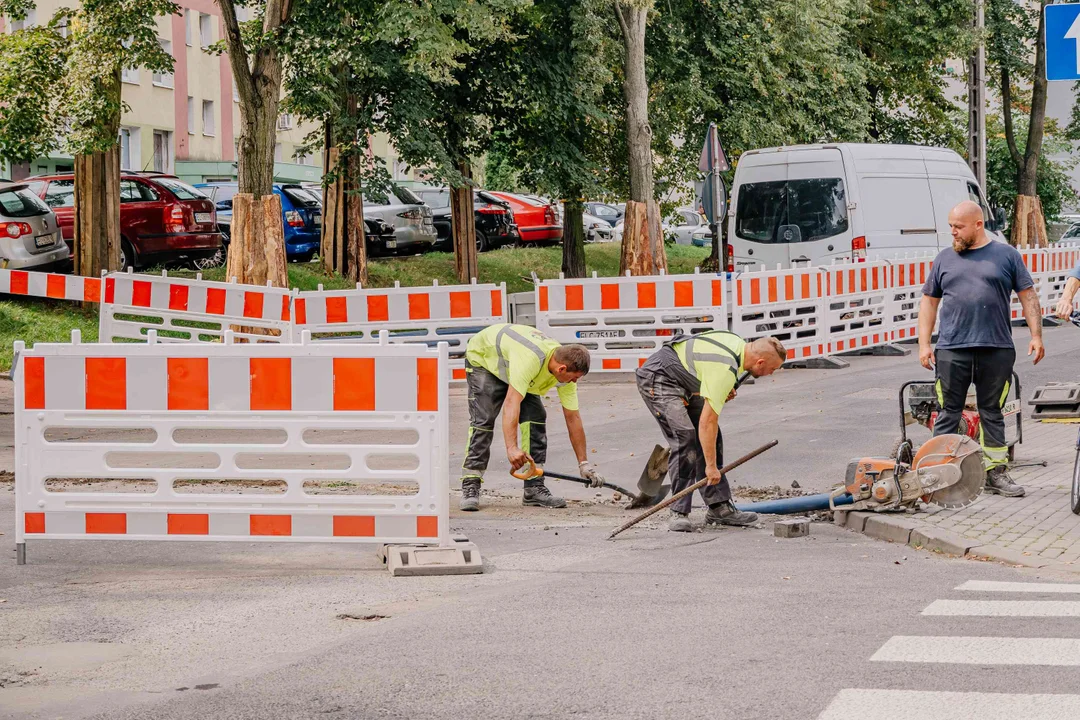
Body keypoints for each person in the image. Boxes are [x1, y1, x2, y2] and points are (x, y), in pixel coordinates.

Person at [918, 200, 1044, 498]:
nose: (953, 233)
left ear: (978, 224)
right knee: (949, 412)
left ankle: (995, 474)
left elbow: (1028, 296)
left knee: (992, 411)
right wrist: (924, 343)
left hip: (996, 348)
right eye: (950, 226)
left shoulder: (1006, 256)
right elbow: (929, 302)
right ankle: (939, 473)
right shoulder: (944, 259)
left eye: (958, 227)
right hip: (951, 349)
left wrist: (1036, 336)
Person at [636, 329, 786, 532]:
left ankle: (719, 507)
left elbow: (701, 358)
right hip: (660, 377)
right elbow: (707, 422)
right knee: (685, 436)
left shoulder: (736, 343)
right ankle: (678, 511)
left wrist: (717, 387)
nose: (771, 373)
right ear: (759, 363)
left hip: (684, 377)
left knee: (712, 440)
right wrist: (711, 467)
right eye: (772, 369)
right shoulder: (723, 369)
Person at [459, 323, 603, 511]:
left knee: (535, 416)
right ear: (561, 369)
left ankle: (533, 487)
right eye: (574, 377)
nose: (574, 382)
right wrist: (511, 448)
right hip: (485, 360)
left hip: (516, 366)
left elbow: (573, 418)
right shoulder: (531, 360)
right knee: (483, 420)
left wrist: (584, 464)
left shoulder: (562, 366)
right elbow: (511, 403)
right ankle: (471, 484)